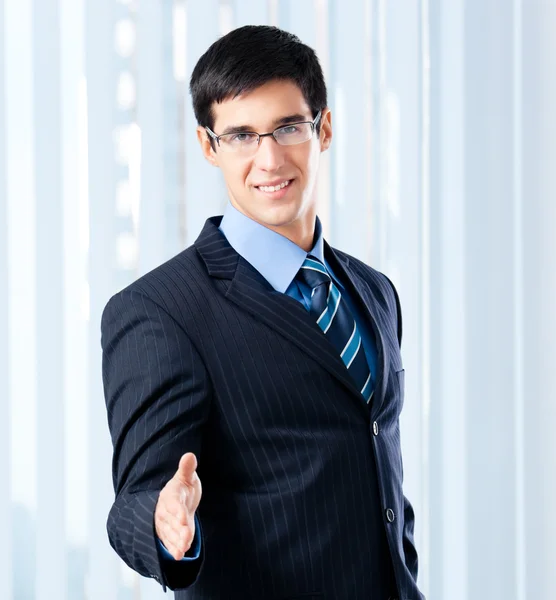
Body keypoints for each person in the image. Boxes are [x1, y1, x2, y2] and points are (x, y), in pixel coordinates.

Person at [101, 24, 423, 600]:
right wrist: (164, 521)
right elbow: (133, 503)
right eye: (242, 135)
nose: (269, 158)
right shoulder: (160, 312)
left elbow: (377, 467)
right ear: (208, 146)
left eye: (287, 128)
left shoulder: (375, 291)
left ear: (323, 129)